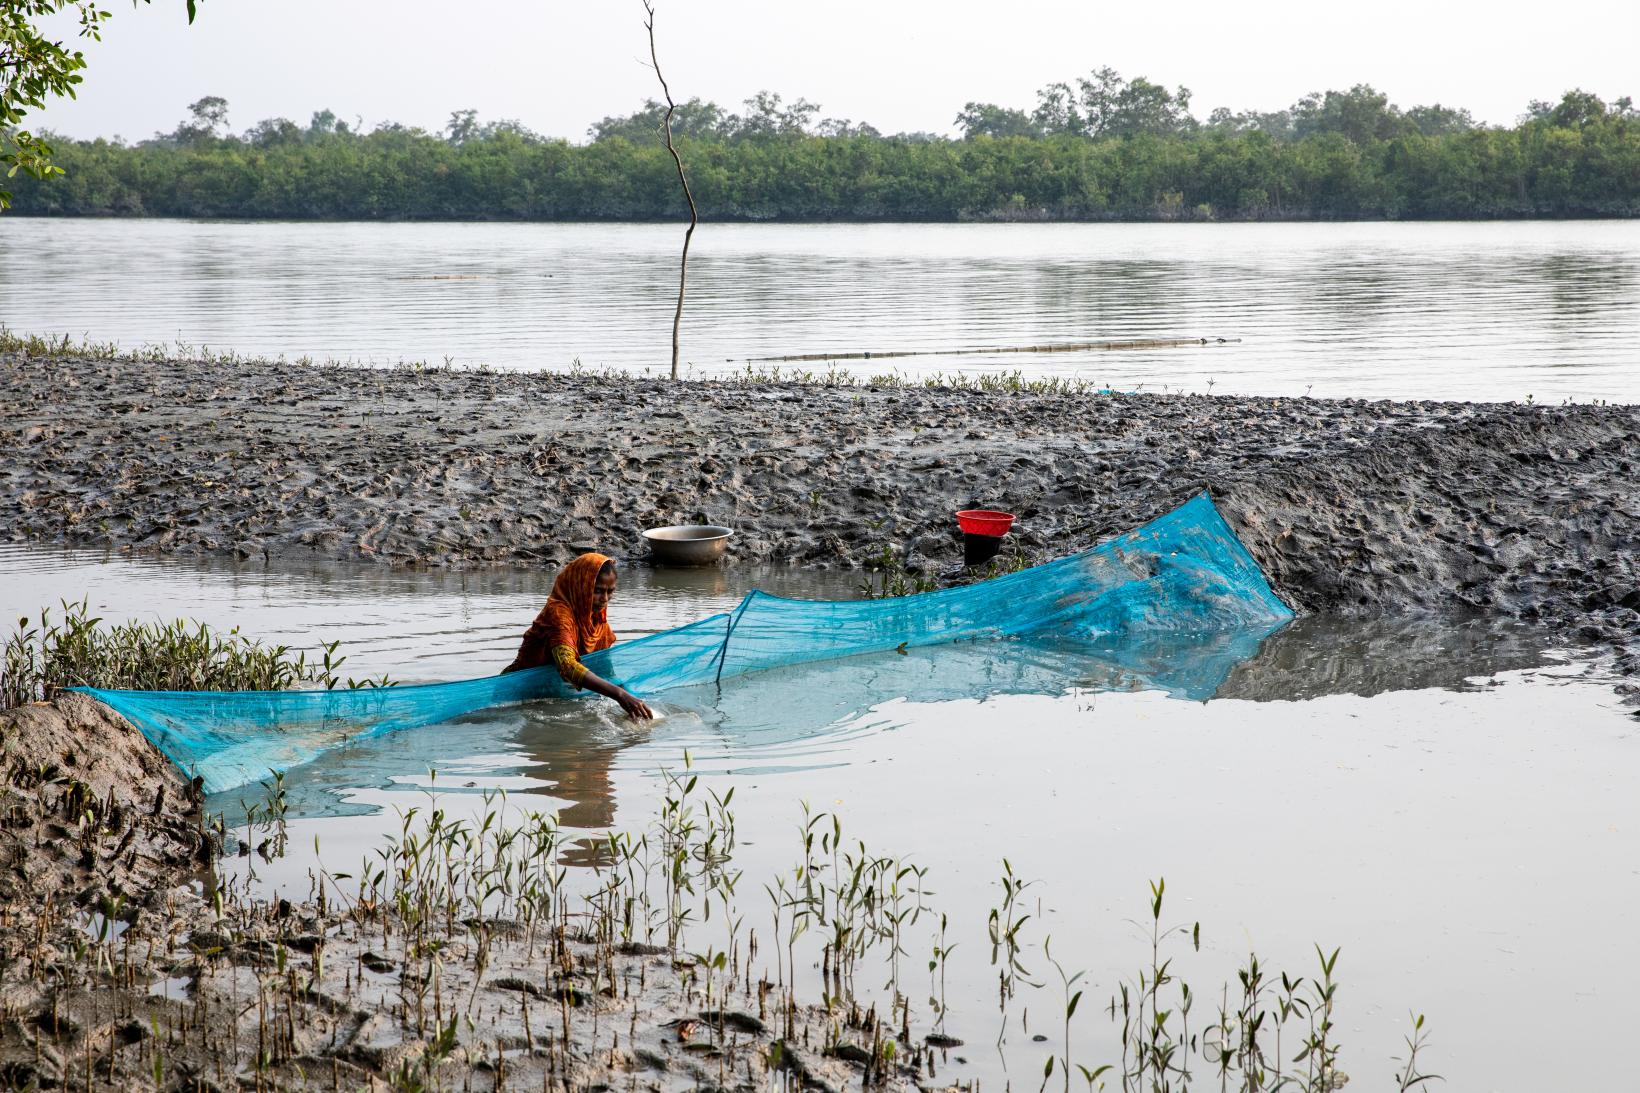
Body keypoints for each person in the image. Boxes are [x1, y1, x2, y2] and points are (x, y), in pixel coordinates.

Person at [502, 552, 654, 720]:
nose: (604, 599)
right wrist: (619, 695)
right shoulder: (559, 613)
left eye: (610, 592)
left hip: (555, 696)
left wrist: (630, 696)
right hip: (517, 697)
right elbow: (567, 665)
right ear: (582, 585)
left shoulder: (595, 618)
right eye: (597, 591)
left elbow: (604, 669)